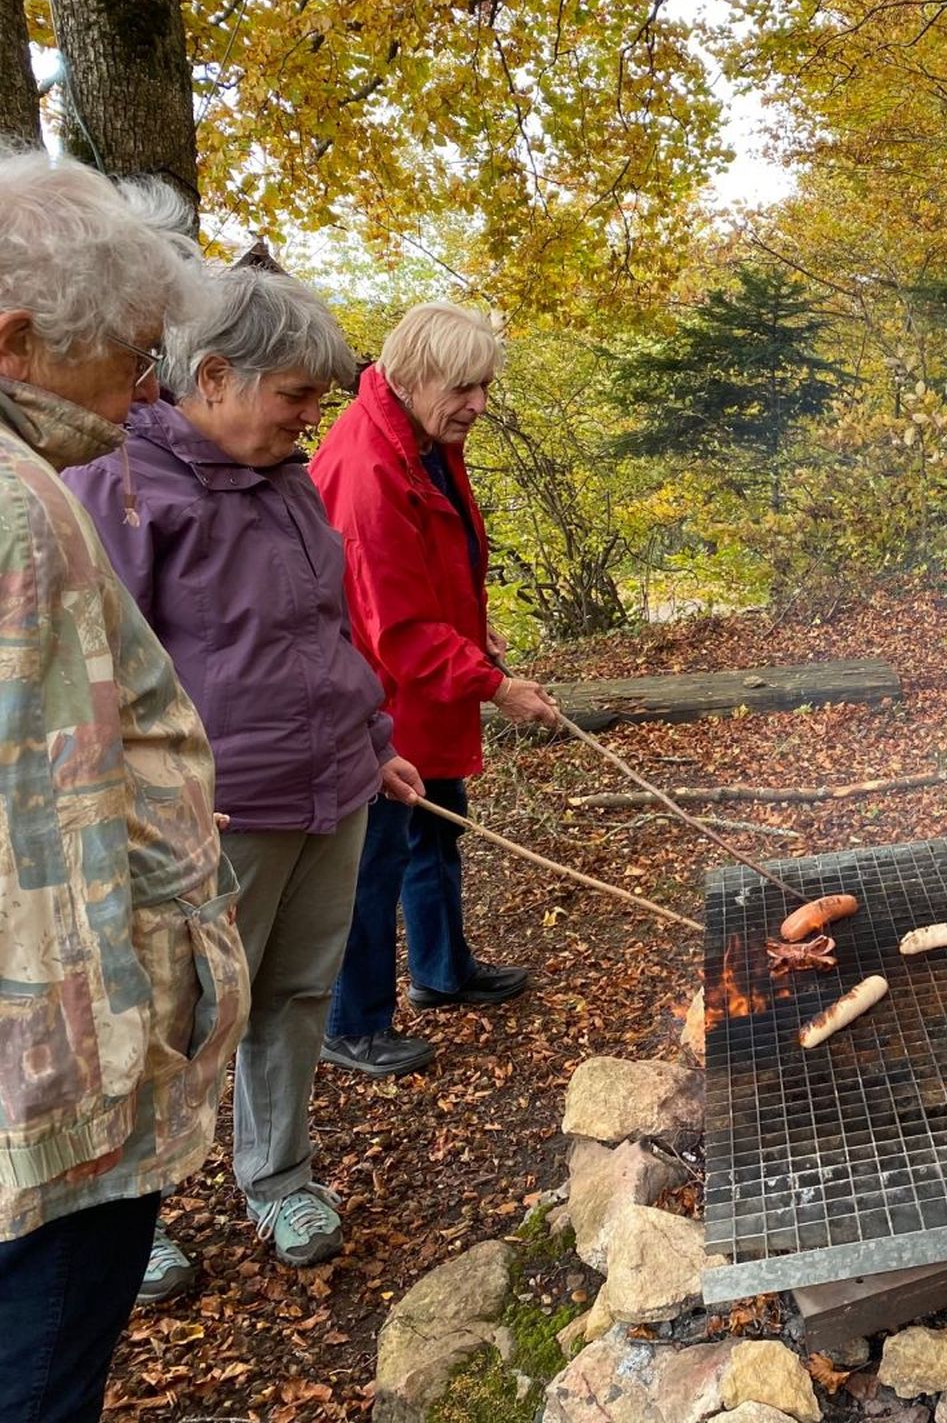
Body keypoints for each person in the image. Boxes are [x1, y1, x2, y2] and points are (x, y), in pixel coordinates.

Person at [66, 265, 427, 1297]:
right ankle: (136, 1214)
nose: (312, 418)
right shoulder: (122, 483)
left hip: (330, 787)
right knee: (175, 1019)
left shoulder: (283, 481)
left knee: (295, 993)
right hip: (210, 813)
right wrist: (142, 794)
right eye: (296, 395)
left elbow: (323, 632)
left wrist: (373, 736)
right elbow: (90, 670)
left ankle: (279, 1176)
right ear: (213, 376)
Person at [0, 148, 250, 1421]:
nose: (143, 386)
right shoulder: (18, 510)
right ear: (17, 342)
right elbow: (41, 828)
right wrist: (114, 1080)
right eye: (132, 355)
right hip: (45, 1112)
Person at [311, 302, 563, 1078]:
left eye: (484, 386)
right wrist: (495, 686)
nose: (479, 405)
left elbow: (440, 562)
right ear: (414, 375)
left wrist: (474, 626)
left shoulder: (421, 437)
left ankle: (442, 971)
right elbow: (393, 625)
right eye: (464, 387)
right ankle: (351, 1023)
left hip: (426, 686)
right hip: (376, 697)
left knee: (439, 826)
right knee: (375, 857)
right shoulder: (368, 467)